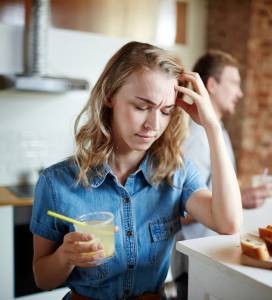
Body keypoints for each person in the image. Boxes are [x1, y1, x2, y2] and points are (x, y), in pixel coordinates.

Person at [29, 41, 242, 300]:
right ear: (110, 96)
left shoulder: (176, 172)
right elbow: (42, 278)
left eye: (166, 111)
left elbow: (228, 223)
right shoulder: (55, 183)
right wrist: (65, 257)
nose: (153, 124)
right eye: (141, 107)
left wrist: (212, 127)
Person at [170, 50, 272, 297]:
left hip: (210, 257)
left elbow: (213, 186)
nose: (240, 93)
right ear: (212, 85)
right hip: (195, 262)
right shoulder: (196, 138)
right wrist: (240, 199)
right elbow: (175, 210)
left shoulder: (217, 132)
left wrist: (239, 193)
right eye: (234, 84)